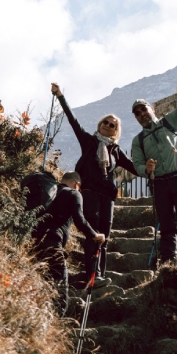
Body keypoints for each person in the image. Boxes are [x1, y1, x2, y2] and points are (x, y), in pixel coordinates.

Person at [50, 84, 136, 281]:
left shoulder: (116, 151)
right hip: (88, 192)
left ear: (116, 131)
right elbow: (73, 121)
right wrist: (61, 96)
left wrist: (150, 168)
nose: (107, 125)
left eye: (112, 124)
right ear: (99, 125)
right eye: (105, 122)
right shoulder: (89, 141)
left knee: (104, 234)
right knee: (93, 232)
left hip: (108, 196)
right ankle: (91, 273)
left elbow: (134, 168)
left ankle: (100, 275)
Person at [130, 62, 177, 266]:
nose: (141, 114)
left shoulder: (171, 122)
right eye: (137, 113)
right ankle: (168, 260)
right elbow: (137, 164)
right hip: (160, 182)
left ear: (151, 109)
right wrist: (146, 169)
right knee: (167, 223)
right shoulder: (138, 141)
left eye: (143, 109)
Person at [33, 172, 106, 310]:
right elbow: (80, 220)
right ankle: (57, 318)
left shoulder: (51, 192)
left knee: (44, 283)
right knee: (60, 287)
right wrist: (95, 235)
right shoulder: (73, 193)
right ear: (77, 184)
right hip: (52, 242)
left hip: (33, 242)